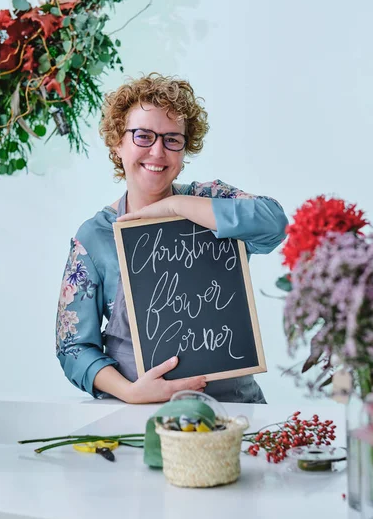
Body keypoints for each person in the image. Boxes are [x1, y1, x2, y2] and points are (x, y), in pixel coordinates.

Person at [56, 73, 288, 403]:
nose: (157, 151)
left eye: (171, 139)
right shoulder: (94, 236)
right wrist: (132, 393)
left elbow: (274, 221)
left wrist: (177, 205)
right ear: (117, 143)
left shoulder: (210, 201)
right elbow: (74, 345)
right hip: (136, 418)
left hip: (233, 409)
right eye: (143, 136)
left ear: (184, 150)